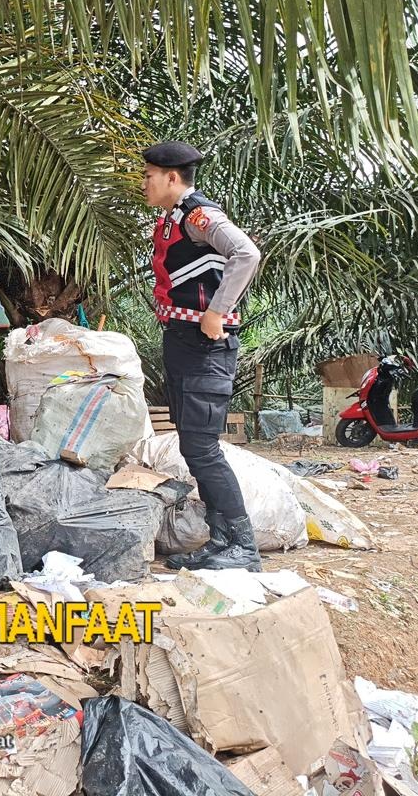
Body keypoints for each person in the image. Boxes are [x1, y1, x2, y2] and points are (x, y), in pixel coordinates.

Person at [141, 140, 262, 572]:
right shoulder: (174, 217)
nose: (143, 184)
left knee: (203, 448)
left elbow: (246, 253)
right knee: (194, 446)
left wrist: (217, 311)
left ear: (172, 178)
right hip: (183, 341)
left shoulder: (199, 215)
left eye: (149, 176)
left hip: (205, 346)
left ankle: (243, 547)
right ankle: (221, 541)